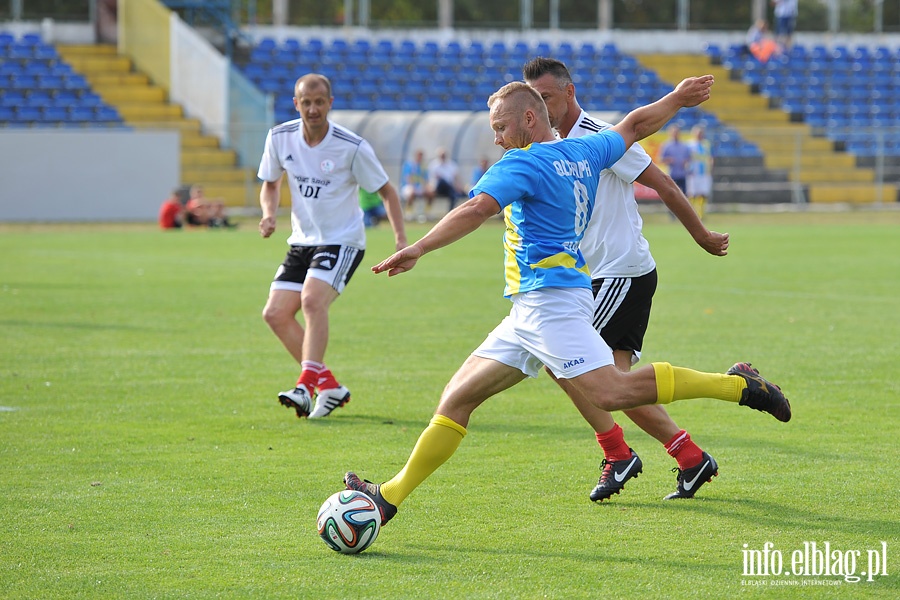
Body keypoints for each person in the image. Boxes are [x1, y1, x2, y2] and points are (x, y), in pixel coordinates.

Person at [344, 77, 791, 529]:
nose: (497, 138)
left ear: (529, 118)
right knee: (456, 398)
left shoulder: (524, 163)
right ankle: (387, 498)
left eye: (500, 126)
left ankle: (739, 387)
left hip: (551, 305)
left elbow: (476, 209)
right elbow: (635, 125)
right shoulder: (583, 151)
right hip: (530, 309)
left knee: (612, 391)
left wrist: (419, 247)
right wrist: (676, 99)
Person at [523, 57, 728, 501]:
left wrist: (702, 236)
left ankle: (621, 454)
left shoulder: (599, 137)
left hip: (620, 272)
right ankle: (689, 458)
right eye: (534, 99)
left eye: (547, 97)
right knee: (605, 379)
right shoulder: (549, 146)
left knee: (578, 369)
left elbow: (665, 185)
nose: (540, 107)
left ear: (570, 92)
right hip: (589, 278)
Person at [257, 73, 408, 419]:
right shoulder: (279, 138)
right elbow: (269, 183)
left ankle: (305, 387)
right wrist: (268, 214)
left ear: (330, 103)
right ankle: (330, 387)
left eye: (319, 102)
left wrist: (401, 241)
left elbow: (387, 192)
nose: (312, 109)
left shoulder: (351, 146)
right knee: (275, 314)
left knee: (311, 301)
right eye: (305, 102)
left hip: (342, 240)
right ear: (296, 104)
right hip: (302, 240)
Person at [687, 125, 714, 220]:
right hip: (693, 173)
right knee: (692, 194)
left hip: (704, 173)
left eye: (701, 133)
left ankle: (701, 213)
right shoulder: (690, 145)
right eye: (698, 133)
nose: (699, 135)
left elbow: (709, 157)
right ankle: (692, 213)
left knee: (703, 193)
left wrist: (710, 167)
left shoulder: (706, 144)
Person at [400, 149, 434, 222]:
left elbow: (426, 180)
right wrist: (413, 186)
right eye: (419, 155)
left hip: (420, 187)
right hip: (408, 186)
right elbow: (408, 178)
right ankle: (409, 212)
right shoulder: (409, 165)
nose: (420, 157)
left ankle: (427, 212)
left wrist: (427, 187)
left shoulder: (423, 167)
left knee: (430, 193)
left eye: (421, 156)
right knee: (411, 193)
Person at [428, 147, 464, 215]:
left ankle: (450, 213)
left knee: (453, 195)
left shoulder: (452, 165)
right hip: (438, 187)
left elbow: (456, 177)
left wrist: (459, 186)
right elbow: (431, 179)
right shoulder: (434, 165)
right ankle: (428, 212)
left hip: (449, 188)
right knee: (442, 181)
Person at [658, 126, 691, 197]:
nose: (675, 134)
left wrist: (686, 162)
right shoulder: (666, 146)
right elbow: (661, 159)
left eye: (677, 132)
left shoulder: (684, 146)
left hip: (682, 174)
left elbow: (689, 158)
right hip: (672, 174)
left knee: (684, 195)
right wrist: (669, 160)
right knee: (672, 195)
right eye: (674, 132)